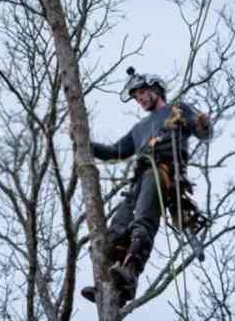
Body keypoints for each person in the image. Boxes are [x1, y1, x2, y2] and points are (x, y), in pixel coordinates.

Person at [81, 67, 213, 306]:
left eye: (142, 93)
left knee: (144, 220)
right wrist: (86, 144)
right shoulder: (139, 129)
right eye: (136, 97)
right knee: (115, 231)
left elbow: (200, 130)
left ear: (155, 89)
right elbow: (115, 151)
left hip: (163, 171)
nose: (140, 99)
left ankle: (131, 274)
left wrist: (204, 124)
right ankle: (114, 289)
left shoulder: (177, 110)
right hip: (140, 178)